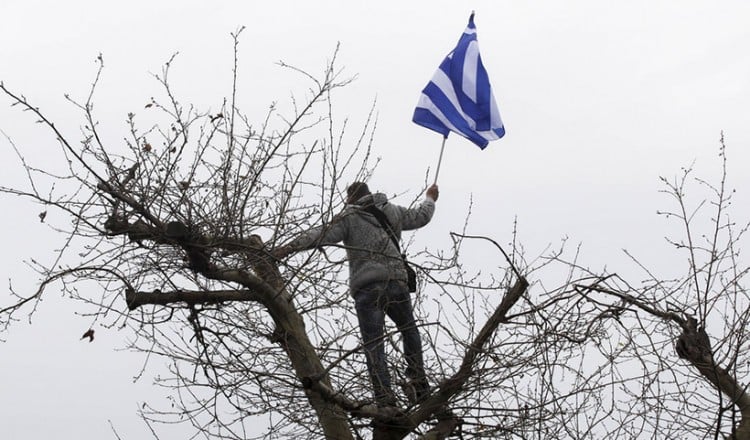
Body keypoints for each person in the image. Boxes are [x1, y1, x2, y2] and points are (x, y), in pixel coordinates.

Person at [272, 182, 439, 406]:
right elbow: (421, 217)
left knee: (374, 344)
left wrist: (288, 248)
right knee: (409, 329)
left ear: (350, 198)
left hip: (367, 288)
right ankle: (419, 382)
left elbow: (320, 234)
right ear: (370, 193)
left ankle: (385, 399)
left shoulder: (348, 216)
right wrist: (430, 198)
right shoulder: (393, 211)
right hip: (396, 282)